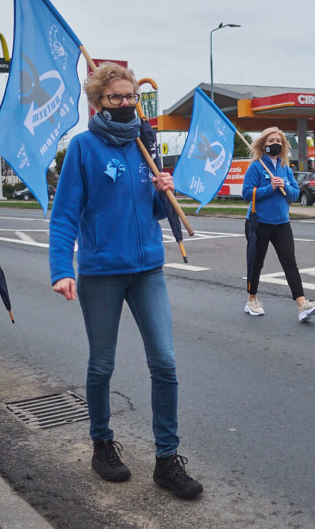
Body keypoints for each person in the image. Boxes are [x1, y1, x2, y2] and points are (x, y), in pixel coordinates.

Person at [49, 63, 202, 499]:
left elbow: (155, 212)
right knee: (102, 364)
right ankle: (102, 445)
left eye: (130, 96)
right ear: (98, 103)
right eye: (116, 97)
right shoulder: (82, 148)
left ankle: (166, 460)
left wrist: (162, 190)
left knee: (165, 363)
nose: (126, 103)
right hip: (101, 273)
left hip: (147, 269)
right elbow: (63, 217)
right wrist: (62, 268)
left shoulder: (143, 142)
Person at [242, 127, 315, 322]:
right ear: (263, 145)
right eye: (271, 141)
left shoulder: (286, 168)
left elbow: (295, 195)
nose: (275, 144)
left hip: (282, 224)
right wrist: (269, 188)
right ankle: (252, 299)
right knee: (256, 263)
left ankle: (302, 304)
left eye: (278, 140)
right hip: (259, 222)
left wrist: (284, 185)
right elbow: (247, 194)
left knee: (290, 263)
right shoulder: (256, 167)